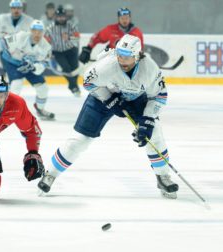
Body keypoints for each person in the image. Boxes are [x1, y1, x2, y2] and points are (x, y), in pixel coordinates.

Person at [38, 34, 179, 199]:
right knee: (80, 140)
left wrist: (147, 120)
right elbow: (88, 82)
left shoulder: (150, 69)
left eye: (127, 56)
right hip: (102, 98)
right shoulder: (106, 65)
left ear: (138, 55)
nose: (122, 60)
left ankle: (163, 176)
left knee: (153, 133)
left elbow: (159, 96)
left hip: (136, 99)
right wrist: (110, 99)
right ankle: (50, 174)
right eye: (119, 54)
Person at [0, 20, 55, 121]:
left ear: (43, 32)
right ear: (30, 30)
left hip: (30, 66)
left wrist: (33, 67)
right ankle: (2, 109)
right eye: (35, 30)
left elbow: (43, 65)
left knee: (43, 88)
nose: (37, 34)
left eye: (40, 31)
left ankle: (40, 109)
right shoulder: (20, 36)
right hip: (11, 62)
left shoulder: (46, 47)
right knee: (16, 84)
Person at [79, 7, 144, 64]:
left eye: (126, 18)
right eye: (122, 18)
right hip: (111, 62)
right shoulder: (111, 29)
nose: (125, 20)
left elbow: (140, 49)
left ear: (130, 18)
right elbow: (96, 37)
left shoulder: (137, 32)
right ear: (118, 18)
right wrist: (88, 49)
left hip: (129, 63)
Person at [44, 5, 81, 97]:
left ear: (66, 16)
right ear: (55, 17)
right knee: (66, 68)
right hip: (58, 52)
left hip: (71, 50)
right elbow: (45, 42)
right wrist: (49, 52)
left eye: (62, 16)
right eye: (59, 16)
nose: (61, 18)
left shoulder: (71, 26)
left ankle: (73, 86)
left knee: (75, 70)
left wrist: (69, 37)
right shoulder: (50, 28)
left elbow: (77, 38)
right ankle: (74, 87)